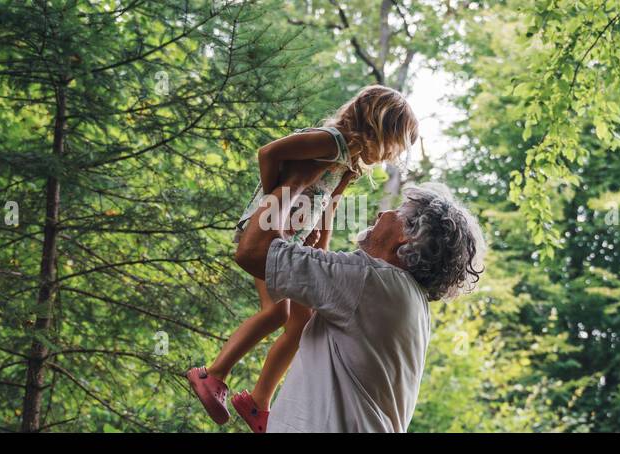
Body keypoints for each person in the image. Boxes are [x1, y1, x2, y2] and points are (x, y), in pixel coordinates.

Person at [186, 85, 419, 432]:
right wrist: (268, 212)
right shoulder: (330, 141)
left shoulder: (348, 164)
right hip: (267, 231)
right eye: (391, 146)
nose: (388, 157)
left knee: (302, 321)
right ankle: (213, 374)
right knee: (277, 312)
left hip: (291, 241)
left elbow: (329, 209)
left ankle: (258, 403)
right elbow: (269, 153)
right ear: (376, 126)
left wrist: (318, 252)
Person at [228, 181, 485, 432]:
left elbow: (252, 252)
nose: (383, 213)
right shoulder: (404, 298)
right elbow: (310, 307)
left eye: (397, 212)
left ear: (407, 238)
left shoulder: (371, 281)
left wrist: (296, 180)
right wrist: (330, 201)